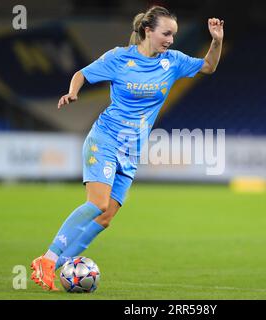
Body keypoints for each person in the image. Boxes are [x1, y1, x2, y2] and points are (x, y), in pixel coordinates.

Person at [30, 6, 224, 291]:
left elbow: (208, 66)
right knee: (97, 203)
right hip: (105, 139)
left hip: (131, 151)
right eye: (166, 33)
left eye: (174, 34)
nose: (171, 39)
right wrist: (73, 92)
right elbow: (82, 74)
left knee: (105, 218)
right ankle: (46, 260)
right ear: (148, 31)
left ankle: (58, 267)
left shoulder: (173, 61)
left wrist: (216, 41)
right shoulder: (120, 58)